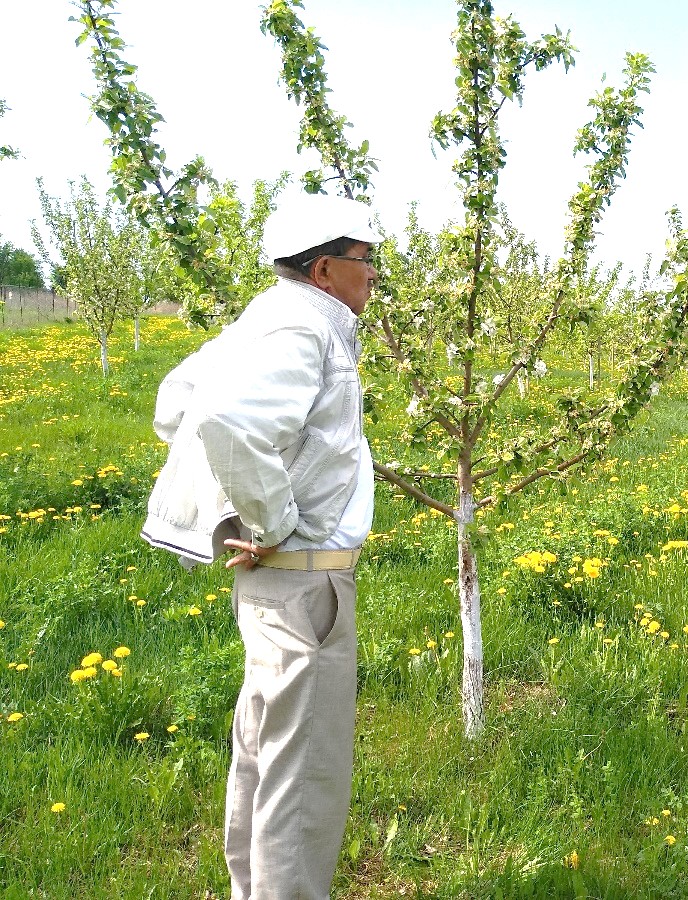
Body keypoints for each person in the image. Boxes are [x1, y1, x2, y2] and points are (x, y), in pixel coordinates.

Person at [141, 192, 382, 900]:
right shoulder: (303, 328)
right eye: (365, 261)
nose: (373, 275)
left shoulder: (272, 316)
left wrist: (241, 509)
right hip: (305, 585)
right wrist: (269, 522)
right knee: (302, 784)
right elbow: (218, 417)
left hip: (284, 587)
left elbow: (176, 400)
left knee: (266, 760)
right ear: (323, 269)